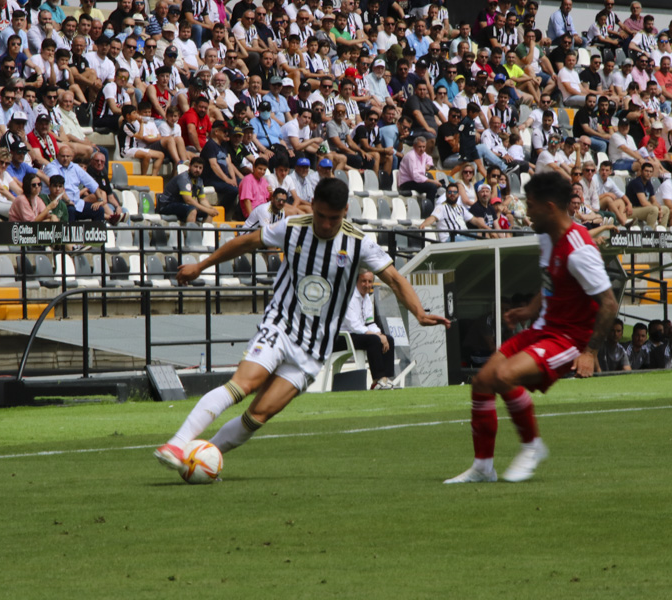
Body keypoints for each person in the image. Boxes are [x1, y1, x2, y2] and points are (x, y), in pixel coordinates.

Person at [153, 178, 450, 470]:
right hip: (280, 326)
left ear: (345, 210)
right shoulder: (293, 228)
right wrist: (200, 266)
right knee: (242, 385)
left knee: (257, 416)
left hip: (314, 349)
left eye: (333, 218)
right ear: (313, 207)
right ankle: (177, 443)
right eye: (320, 215)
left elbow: (396, 279)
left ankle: (201, 459)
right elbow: (245, 242)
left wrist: (419, 313)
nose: (324, 224)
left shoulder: (359, 243)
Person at [445, 171, 617, 484]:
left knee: (505, 375)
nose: (526, 212)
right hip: (542, 328)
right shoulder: (548, 238)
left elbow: (608, 303)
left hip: (569, 339)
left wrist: (590, 352)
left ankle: (532, 445)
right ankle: (483, 468)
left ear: (550, 207)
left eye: (531, 205)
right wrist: (530, 309)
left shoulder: (579, 250)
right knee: (482, 381)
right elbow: (553, 282)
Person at [337, 270, 397, 390]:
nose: (367, 284)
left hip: (357, 335)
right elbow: (355, 326)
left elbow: (370, 323)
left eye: (370, 281)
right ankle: (378, 379)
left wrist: (380, 334)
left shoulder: (367, 299)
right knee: (374, 340)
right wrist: (378, 336)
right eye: (363, 281)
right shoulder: (348, 297)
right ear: (356, 282)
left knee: (388, 339)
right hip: (341, 338)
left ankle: (383, 379)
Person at [419, 182, 490, 242]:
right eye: (450, 192)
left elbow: (474, 220)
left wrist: (487, 228)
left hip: (464, 236)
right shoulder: (441, 207)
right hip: (451, 238)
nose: (452, 194)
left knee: (485, 234)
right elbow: (433, 218)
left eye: (455, 192)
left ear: (458, 194)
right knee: (471, 242)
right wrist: (423, 224)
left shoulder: (461, 207)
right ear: (446, 194)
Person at [157, 157, 219, 222]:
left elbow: (202, 200)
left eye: (200, 168)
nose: (197, 170)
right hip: (168, 205)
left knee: (208, 213)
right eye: (195, 166)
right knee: (192, 210)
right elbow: (188, 200)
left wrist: (211, 209)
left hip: (182, 205)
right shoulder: (184, 178)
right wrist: (207, 210)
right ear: (189, 166)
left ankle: (206, 232)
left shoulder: (199, 181)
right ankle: (191, 232)